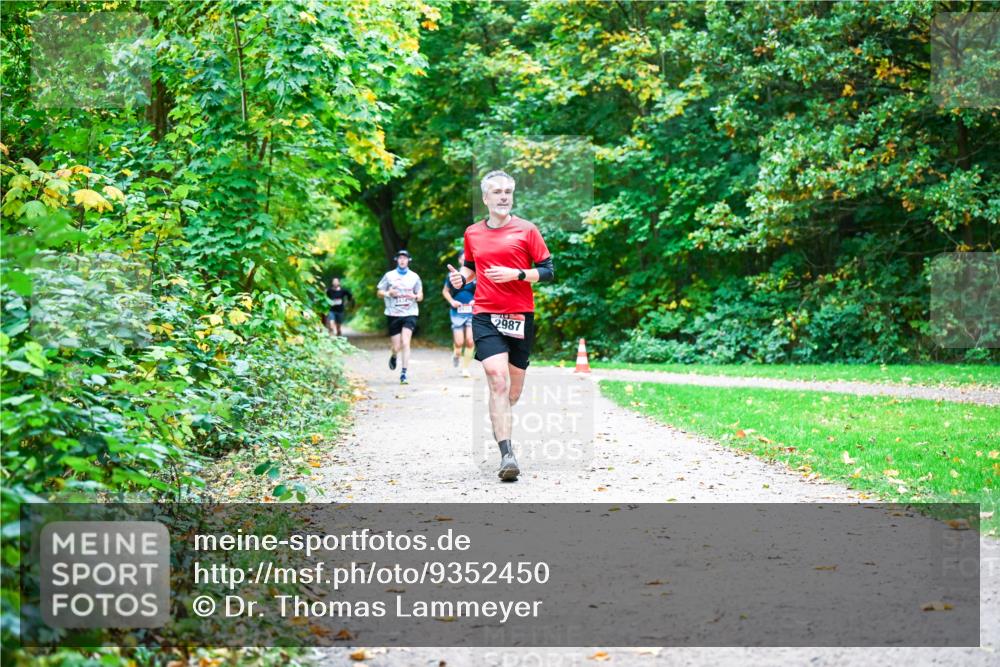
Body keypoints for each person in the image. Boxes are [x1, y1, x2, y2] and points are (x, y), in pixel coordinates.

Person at [448, 170, 555, 481]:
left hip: (520, 315)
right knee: (497, 379)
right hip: (485, 315)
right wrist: (461, 279)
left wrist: (517, 274)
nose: (504, 196)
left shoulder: (527, 230)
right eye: (497, 192)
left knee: (512, 391)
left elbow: (548, 271)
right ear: (485, 198)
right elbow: (470, 268)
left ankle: (501, 419)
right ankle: (507, 455)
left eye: (508, 191)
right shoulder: (473, 233)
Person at [377, 250, 423, 384]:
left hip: (410, 312)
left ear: (409, 260)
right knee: (396, 346)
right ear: (396, 260)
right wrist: (388, 293)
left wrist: (415, 296)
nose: (402, 260)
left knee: (405, 342)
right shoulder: (389, 275)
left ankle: (404, 373)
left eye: (405, 258)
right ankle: (394, 355)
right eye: (400, 258)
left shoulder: (414, 277)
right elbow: (379, 292)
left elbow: (420, 295)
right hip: (393, 313)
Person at [442, 252, 477, 378]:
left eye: (467, 259)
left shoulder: (476, 275)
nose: (465, 261)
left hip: (471, 311)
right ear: (459, 261)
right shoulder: (452, 275)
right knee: (459, 342)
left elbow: (482, 291)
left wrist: (476, 300)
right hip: (457, 311)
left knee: (470, 341)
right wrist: (452, 301)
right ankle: (456, 354)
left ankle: (465, 368)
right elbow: (445, 291)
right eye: (463, 259)